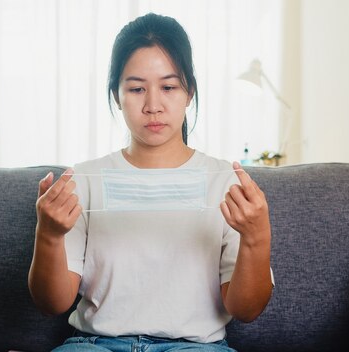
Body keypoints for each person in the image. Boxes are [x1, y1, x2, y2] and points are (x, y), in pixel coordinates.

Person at [29, 13, 273, 352]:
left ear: (190, 93)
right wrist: (49, 235)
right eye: (136, 88)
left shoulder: (227, 183)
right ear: (116, 95)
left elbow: (246, 310)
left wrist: (257, 237)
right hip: (95, 345)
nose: (153, 105)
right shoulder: (82, 180)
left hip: (195, 347)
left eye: (169, 87)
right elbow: (51, 304)